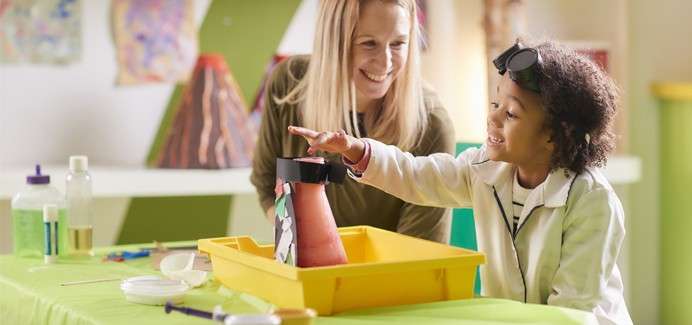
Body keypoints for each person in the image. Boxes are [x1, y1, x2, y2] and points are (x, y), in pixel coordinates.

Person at [288, 40, 633, 324]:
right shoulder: (485, 169)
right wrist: (357, 149)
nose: (493, 117)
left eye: (511, 113)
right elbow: (418, 176)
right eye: (496, 103)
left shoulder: (591, 201)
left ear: (555, 137)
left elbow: (571, 311)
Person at [251, 0, 455, 243]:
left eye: (398, 43)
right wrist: (298, 240)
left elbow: (417, 256)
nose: (386, 62)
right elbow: (266, 181)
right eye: (369, 43)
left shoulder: (432, 126)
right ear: (333, 42)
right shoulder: (288, 83)